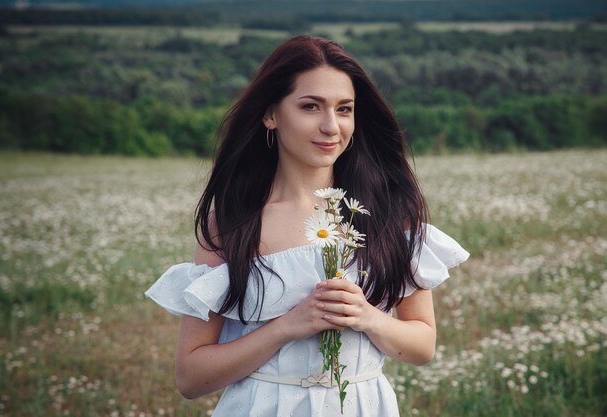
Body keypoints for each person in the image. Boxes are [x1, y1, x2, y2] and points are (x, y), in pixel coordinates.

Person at [145, 35, 469, 416]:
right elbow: (191, 378)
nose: (331, 126)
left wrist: (366, 317)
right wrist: (287, 326)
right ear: (270, 114)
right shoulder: (232, 225)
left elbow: (422, 346)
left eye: (344, 109)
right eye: (311, 106)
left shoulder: (389, 213)